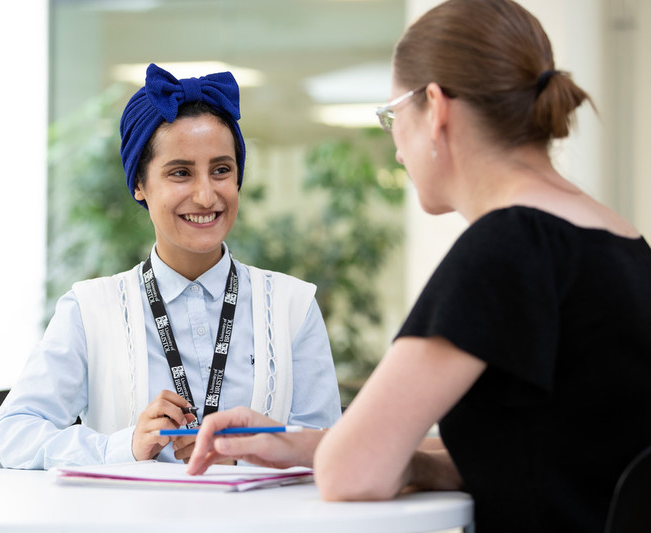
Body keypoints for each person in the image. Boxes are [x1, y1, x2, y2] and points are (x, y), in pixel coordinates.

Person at [186, 1, 651, 532]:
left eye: (391, 117)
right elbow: (555, 458)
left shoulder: (508, 246)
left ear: (435, 107)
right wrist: (298, 442)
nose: (398, 149)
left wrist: (345, 455)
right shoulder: (623, 240)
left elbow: (350, 474)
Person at [0, 63, 341, 468]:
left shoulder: (293, 306)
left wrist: (248, 453)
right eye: (180, 173)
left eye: (221, 170)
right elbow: (9, 436)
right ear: (139, 184)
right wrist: (124, 448)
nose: (206, 196)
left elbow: (329, 446)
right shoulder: (90, 309)